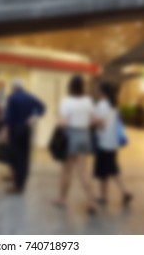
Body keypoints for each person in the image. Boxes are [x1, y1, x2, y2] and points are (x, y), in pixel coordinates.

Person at [53, 76, 97, 213]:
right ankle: (91, 202)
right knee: (83, 171)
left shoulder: (66, 101)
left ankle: (62, 199)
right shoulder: (88, 101)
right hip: (84, 136)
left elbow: (63, 123)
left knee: (67, 170)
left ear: (70, 86)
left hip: (71, 136)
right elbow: (93, 121)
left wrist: (58, 119)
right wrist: (83, 123)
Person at [93, 82, 132, 207]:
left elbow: (100, 123)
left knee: (106, 170)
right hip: (113, 142)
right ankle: (105, 196)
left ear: (103, 93)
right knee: (110, 169)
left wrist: (91, 123)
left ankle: (124, 192)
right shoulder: (114, 105)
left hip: (103, 142)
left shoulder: (102, 105)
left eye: (99, 91)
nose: (98, 93)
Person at [4, 78, 45, 194]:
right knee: (24, 157)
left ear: (13, 87)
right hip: (26, 130)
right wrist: (34, 116)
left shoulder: (12, 97)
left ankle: (17, 183)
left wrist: (5, 132)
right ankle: (21, 183)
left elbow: (8, 117)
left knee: (14, 156)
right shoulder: (30, 97)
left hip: (14, 130)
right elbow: (42, 107)